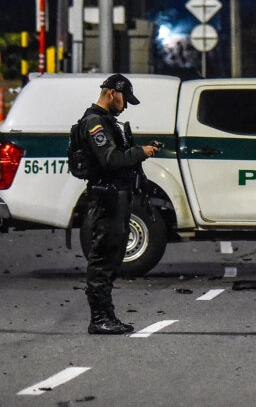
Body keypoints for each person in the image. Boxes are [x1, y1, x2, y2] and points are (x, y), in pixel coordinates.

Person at [79, 74, 160, 335]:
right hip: (106, 199)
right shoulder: (94, 123)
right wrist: (141, 152)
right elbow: (110, 159)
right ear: (113, 93)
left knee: (113, 257)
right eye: (125, 99)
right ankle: (99, 318)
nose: (125, 106)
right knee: (102, 258)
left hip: (117, 197)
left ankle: (107, 315)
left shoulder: (108, 122)